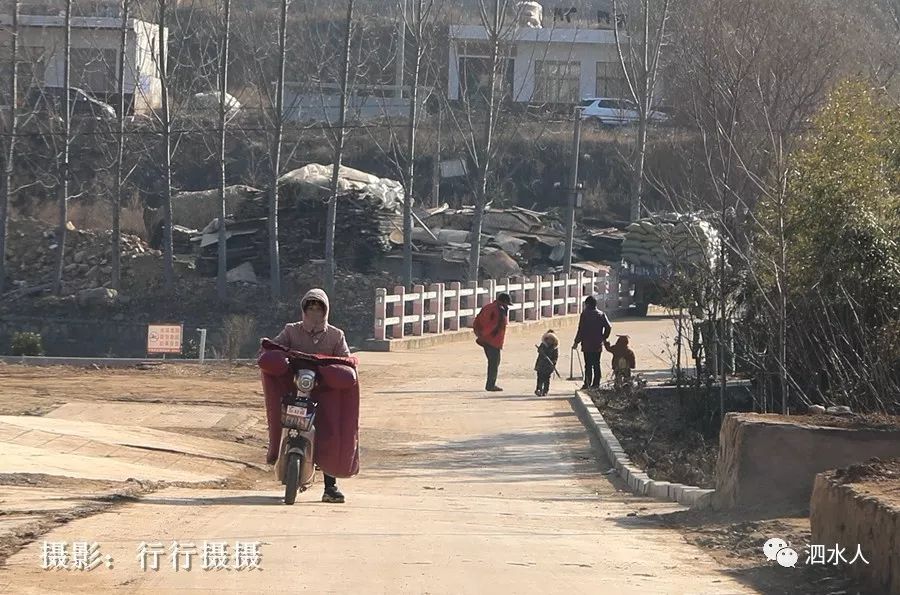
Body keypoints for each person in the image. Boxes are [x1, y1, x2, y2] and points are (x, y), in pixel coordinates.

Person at [268, 288, 350, 503]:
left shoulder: (335, 335)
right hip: (295, 390)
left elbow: (346, 361)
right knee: (282, 422)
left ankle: (330, 487)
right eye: (310, 307)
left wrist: (336, 370)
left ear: (326, 310)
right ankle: (279, 458)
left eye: (318, 308)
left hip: (324, 394)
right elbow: (275, 348)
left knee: (329, 434)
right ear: (303, 309)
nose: (314, 312)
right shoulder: (291, 331)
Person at [473, 292, 512, 391]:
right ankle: (490, 385)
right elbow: (493, 325)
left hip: (487, 339)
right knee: (494, 363)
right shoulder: (498, 310)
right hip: (492, 340)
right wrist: (485, 334)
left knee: (493, 362)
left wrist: (479, 334)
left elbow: (478, 319)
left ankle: (491, 383)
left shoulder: (488, 307)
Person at [572, 295, 612, 390]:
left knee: (588, 365)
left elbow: (581, 330)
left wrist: (576, 342)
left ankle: (587, 384)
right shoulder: (601, 314)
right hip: (597, 344)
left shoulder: (585, 315)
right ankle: (596, 384)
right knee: (596, 364)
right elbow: (609, 327)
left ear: (587, 304)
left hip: (587, 344)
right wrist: (604, 337)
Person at [534, 329, 559, 396]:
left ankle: (545, 390)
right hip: (541, 364)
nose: (549, 340)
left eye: (551, 339)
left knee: (546, 378)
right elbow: (539, 351)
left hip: (549, 366)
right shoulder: (543, 345)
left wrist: (553, 363)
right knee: (540, 377)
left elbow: (555, 357)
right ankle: (539, 389)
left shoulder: (554, 348)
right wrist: (540, 351)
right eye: (548, 339)